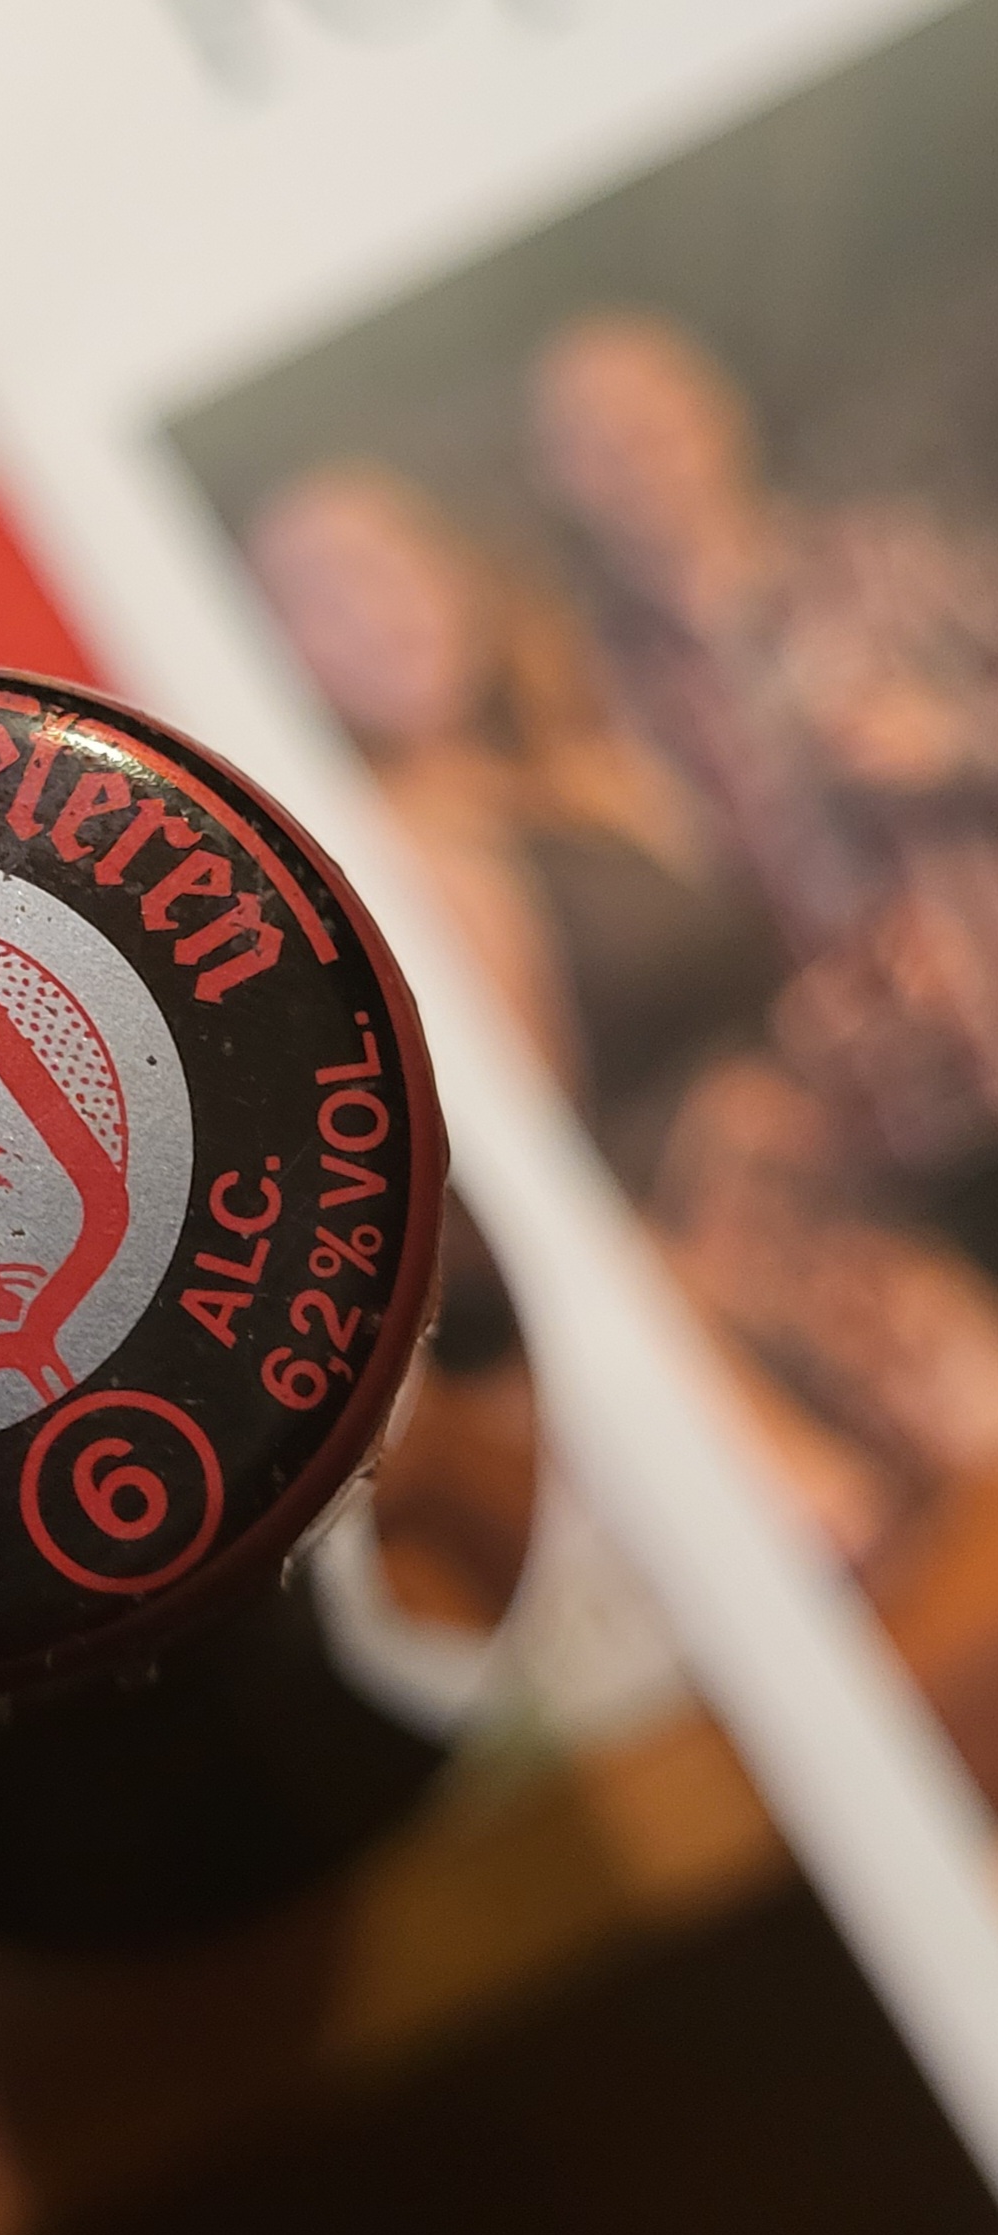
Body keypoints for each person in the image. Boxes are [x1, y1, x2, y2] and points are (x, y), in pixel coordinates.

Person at [247, 462, 998, 1565]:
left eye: (388, 560)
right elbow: (556, 1199)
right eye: (319, 596)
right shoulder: (413, 852)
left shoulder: (586, 753)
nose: (375, 608)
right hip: (757, 1302)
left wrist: (830, 1025)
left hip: (867, 1201)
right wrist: (757, 1430)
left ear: (453, 566)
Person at [531, 313, 998, 1264]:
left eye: (652, 408)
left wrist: (951, 740)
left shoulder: (887, 558)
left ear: (718, 406)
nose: (635, 447)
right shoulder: (592, 695)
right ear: (562, 479)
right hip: (883, 1135)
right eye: (594, 435)